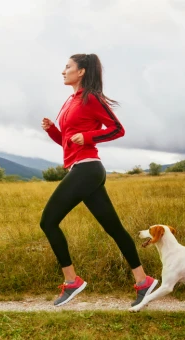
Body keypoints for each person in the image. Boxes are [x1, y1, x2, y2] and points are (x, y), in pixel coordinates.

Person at [40, 53, 158, 307]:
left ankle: (72, 281)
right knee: (114, 228)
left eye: (68, 66)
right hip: (79, 168)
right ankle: (143, 281)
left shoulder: (91, 97)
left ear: (81, 71)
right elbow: (67, 142)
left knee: (48, 222)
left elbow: (117, 129)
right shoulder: (70, 101)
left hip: (88, 168)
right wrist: (53, 129)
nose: (63, 71)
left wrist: (90, 137)